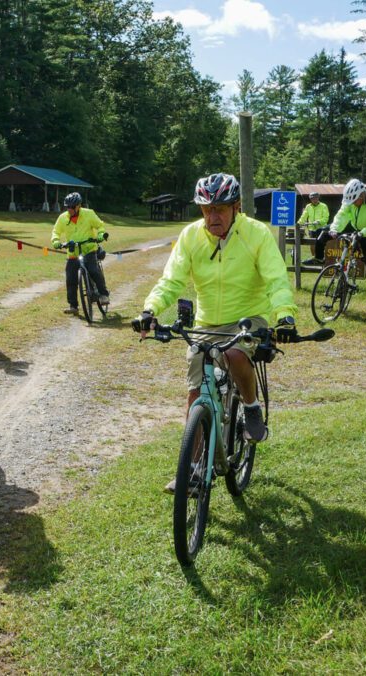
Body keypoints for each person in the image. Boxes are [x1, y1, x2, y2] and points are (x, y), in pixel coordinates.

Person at [133, 173, 298, 493]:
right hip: (207, 323)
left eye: (220, 209)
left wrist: (285, 317)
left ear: (236, 207)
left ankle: (251, 408)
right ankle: (194, 469)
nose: (213, 217)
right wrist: (150, 310)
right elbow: (171, 280)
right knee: (196, 392)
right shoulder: (191, 236)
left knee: (235, 354)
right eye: (206, 210)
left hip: (248, 318)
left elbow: (276, 280)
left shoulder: (256, 234)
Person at [322, 178, 366, 319]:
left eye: (355, 201)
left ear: (362, 195)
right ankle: (340, 290)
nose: (352, 204)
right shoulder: (350, 200)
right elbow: (341, 215)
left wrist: (364, 233)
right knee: (341, 259)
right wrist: (334, 228)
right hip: (355, 228)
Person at [51, 192, 110, 314]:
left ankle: (104, 295)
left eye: (72, 207)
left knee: (94, 270)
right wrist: (56, 241)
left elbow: (100, 226)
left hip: (89, 249)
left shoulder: (89, 214)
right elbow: (55, 232)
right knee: (70, 278)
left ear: (79, 206)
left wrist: (100, 235)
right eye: (67, 207)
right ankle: (73, 306)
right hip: (73, 252)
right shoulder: (63, 218)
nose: (69, 209)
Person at [298, 192, 330, 265]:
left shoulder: (323, 206)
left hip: (321, 229)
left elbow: (326, 218)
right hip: (311, 229)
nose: (314, 200)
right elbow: (304, 216)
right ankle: (314, 258)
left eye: (315, 198)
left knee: (321, 244)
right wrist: (299, 223)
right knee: (312, 244)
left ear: (318, 198)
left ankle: (322, 259)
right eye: (312, 198)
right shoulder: (308, 206)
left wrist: (318, 222)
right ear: (310, 199)